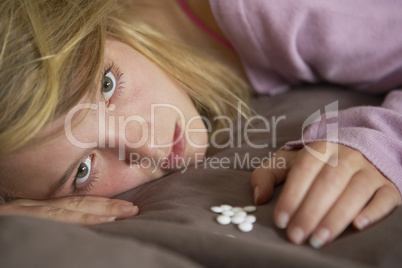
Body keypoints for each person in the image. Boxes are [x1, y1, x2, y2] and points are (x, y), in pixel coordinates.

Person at [0, 0, 401, 249]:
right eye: (83, 170)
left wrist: (382, 139)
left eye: (107, 85)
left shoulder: (281, 11)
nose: (143, 141)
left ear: (108, 27)